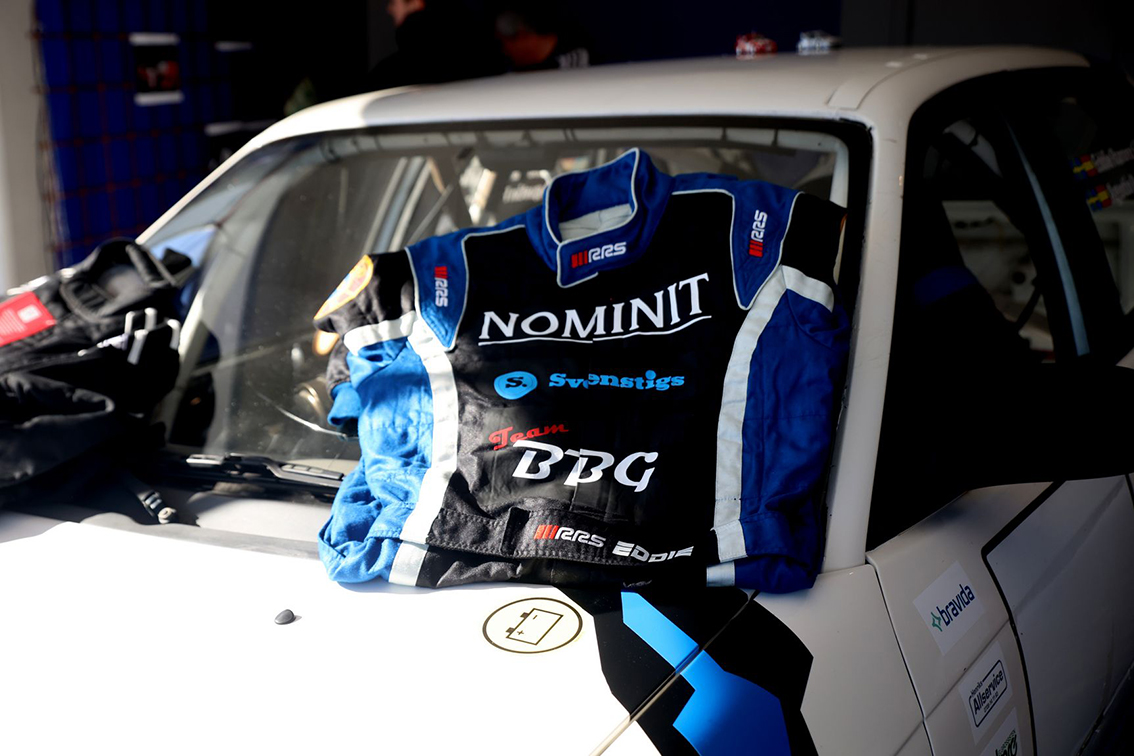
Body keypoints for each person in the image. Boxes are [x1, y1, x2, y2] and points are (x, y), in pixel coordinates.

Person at [366, 0, 505, 91]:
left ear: (416, 3)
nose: (389, 9)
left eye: (393, 2)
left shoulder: (394, 70)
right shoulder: (481, 54)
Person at [494, 5, 590, 71]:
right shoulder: (518, 72)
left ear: (522, 36)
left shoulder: (575, 52)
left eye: (502, 44)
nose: (505, 52)